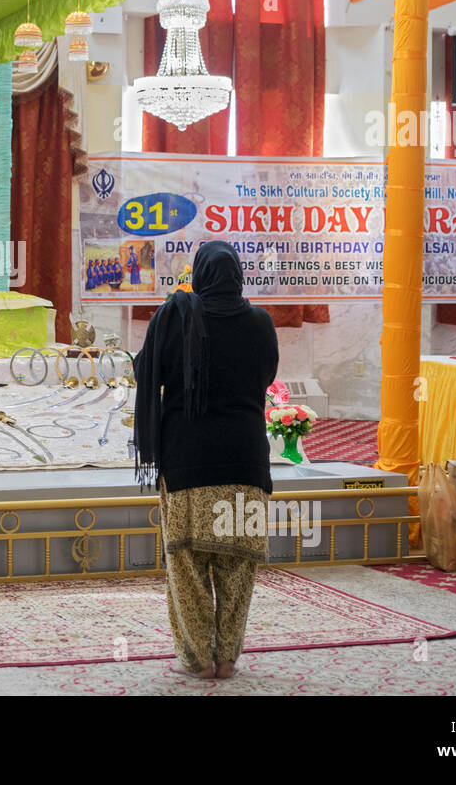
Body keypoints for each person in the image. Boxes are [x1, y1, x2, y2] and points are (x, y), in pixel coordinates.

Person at [133, 241, 279, 681]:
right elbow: (267, 375)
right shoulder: (260, 322)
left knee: (188, 566)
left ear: (198, 274)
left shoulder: (175, 316)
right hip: (246, 464)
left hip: (187, 464)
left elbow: (144, 372)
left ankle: (197, 659)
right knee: (237, 571)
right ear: (238, 275)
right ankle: (228, 658)